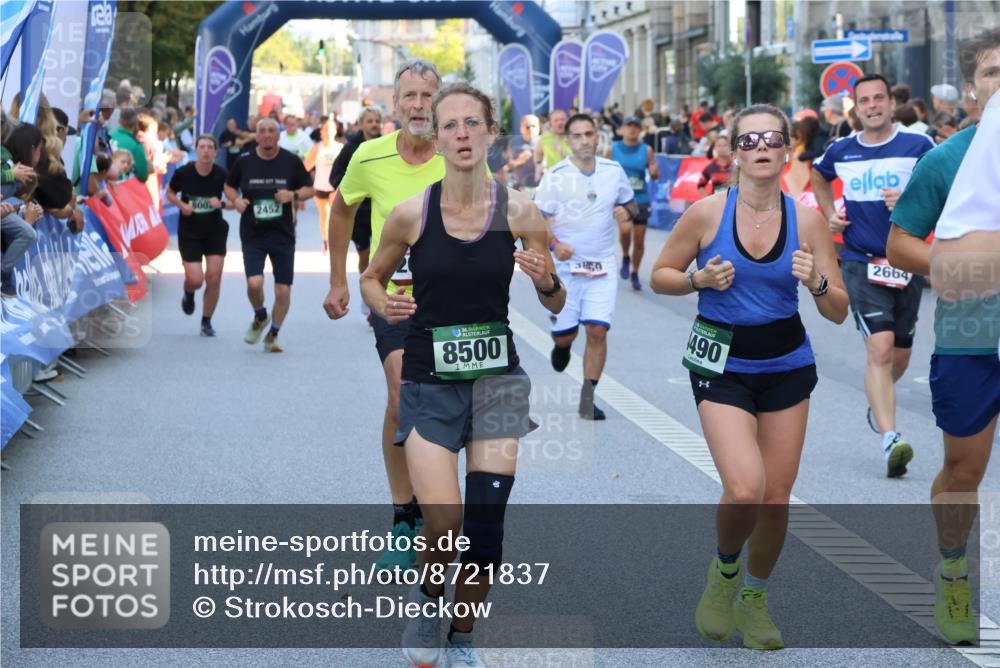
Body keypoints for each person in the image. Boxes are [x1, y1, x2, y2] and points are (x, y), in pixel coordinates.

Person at [360, 81, 565, 668]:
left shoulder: (520, 211)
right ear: (437, 135)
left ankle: (464, 635)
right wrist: (384, 305)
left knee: (485, 531)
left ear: (491, 132)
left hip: (498, 382)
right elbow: (372, 277)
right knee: (445, 520)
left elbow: (555, 301)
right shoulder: (411, 213)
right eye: (449, 125)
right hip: (428, 378)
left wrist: (545, 280)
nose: (461, 135)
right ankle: (429, 601)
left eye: (472, 123)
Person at [651, 103, 848, 650]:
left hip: (786, 365)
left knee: (776, 498)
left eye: (772, 139)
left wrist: (816, 283)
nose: (761, 147)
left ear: (789, 150)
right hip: (721, 364)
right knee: (745, 488)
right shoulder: (708, 213)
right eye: (749, 140)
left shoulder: (806, 220)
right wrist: (698, 280)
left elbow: (838, 311)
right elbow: (660, 275)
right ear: (733, 153)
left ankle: (756, 598)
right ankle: (725, 573)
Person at [886, 27, 1000, 646]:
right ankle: (954, 570)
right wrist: (956, 267)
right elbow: (899, 242)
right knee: (963, 469)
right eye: (992, 73)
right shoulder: (946, 160)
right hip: (974, 334)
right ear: (972, 90)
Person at [323, 59, 445, 571]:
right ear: (395, 105)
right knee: (401, 393)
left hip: (451, 304)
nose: (418, 105)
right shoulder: (369, 157)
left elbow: (492, 213)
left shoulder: (461, 155)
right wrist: (337, 279)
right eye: (409, 97)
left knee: (442, 407)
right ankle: (404, 515)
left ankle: (440, 507)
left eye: (427, 97)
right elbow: (342, 210)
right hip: (391, 296)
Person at [810, 73, 935, 477]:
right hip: (860, 261)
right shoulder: (841, 150)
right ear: (856, 107)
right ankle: (891, 439)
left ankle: (879, 398)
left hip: (908, 263)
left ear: (889, 103)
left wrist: (914, 197)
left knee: (899, 356)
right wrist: (829, 213)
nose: (873, 106)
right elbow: (817, 175)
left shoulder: (919, 145)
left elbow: (945, 191)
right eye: (865, 101)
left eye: (879, 98)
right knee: (879, 350)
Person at [536, 113, 638, 420]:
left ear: (597, 137)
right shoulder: (555, 175)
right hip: (566, 270)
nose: (584, 140)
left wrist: (625, 212)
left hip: (602, 267)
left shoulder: (613, 170)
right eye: (577, 135)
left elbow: (631, 203)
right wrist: (554, 246)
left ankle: (587, 397)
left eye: (589, 134)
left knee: (597, 331)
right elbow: (536, 220)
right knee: (566, 336)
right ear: (568, 141)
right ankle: (562, 345)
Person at [223, 117, 313, 352]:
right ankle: (260, 315)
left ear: (278, 135)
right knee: (254, 283)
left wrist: (292, 195)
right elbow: (229, 185)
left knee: (283, 289)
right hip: (252, 233)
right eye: (262, 131)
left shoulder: (290, 161)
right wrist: (235, 200)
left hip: (282, 234)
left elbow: (309, 188)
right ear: (257, 135)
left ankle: (273, 333)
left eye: (271, 131)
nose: (266, 135)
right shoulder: (244, 162)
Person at [166, 134, 231, 336]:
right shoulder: (184, 173)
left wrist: (220, 204)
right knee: (195, 279)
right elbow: (169, 193)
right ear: (196, 150)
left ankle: (206, 321)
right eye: (202, 147)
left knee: (214, 277)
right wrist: (182, 205)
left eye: (210, 147)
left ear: (215, 152)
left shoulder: (222, 174)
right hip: (190, 231)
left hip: (215, 231)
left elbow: (235, 202)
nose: (205, 151)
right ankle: (189, 292)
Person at [329, 106, 381, 282]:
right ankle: (367, 287)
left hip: (380, 208)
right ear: (360, 124)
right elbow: (334, 177)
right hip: (358, 212)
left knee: (383, 254)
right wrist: (353, 192)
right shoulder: (350, 149)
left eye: (376, 121)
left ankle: (380, 288)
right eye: (370, 121)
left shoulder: (387, 147)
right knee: (365, 255)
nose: (374, 125)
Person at [609, 115, 660, 290]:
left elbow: (654, 174)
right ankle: (625, 255)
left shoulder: (646, 149)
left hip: (641, 199)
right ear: (621, 129)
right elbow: (604, 173)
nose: (632, 130)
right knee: (625, 230)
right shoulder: (612, 149)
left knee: (639, 240)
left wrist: (654, 171)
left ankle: (635, 272)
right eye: (629, 126)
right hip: (622, 199)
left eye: (636, 127)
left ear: (640, 130)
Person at [304, 118, 343, 254]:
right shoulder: (316, 148)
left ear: (335, 131)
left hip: (335, 186)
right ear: (321, 132)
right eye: (325, 129)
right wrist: (313, 159)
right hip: (320, 186)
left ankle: (335, 241)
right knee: (324, 215)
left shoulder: (340, 148)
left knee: (334, 214)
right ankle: (325, 240)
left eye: (330, 128)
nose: (327, 131)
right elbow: (307, 166)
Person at [109, 108, 149, 183]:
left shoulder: (108, 135)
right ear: (136, 124)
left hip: (103, 185)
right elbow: (143, 176)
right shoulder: (136, 146)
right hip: (122, 188)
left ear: (119, 121)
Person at [506, 114, 540, 192]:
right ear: (521, 128)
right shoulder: (513, 143)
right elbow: (505, 167)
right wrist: (518, 161)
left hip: (542, 187)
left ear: (538, 128)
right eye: (527, 126)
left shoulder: (545, 143)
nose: (530, 129)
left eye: (533, 126)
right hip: (520, 188)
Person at [534, 108, 570, 180]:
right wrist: (538, 165)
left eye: (562, 119)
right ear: (551, 123)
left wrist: (561, 151)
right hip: (552, 179)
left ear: (567, 121)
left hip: (572, 178)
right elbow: (537, 153)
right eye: (556, 120)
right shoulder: (545, 138)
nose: (560, 122)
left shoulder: (576, 137)